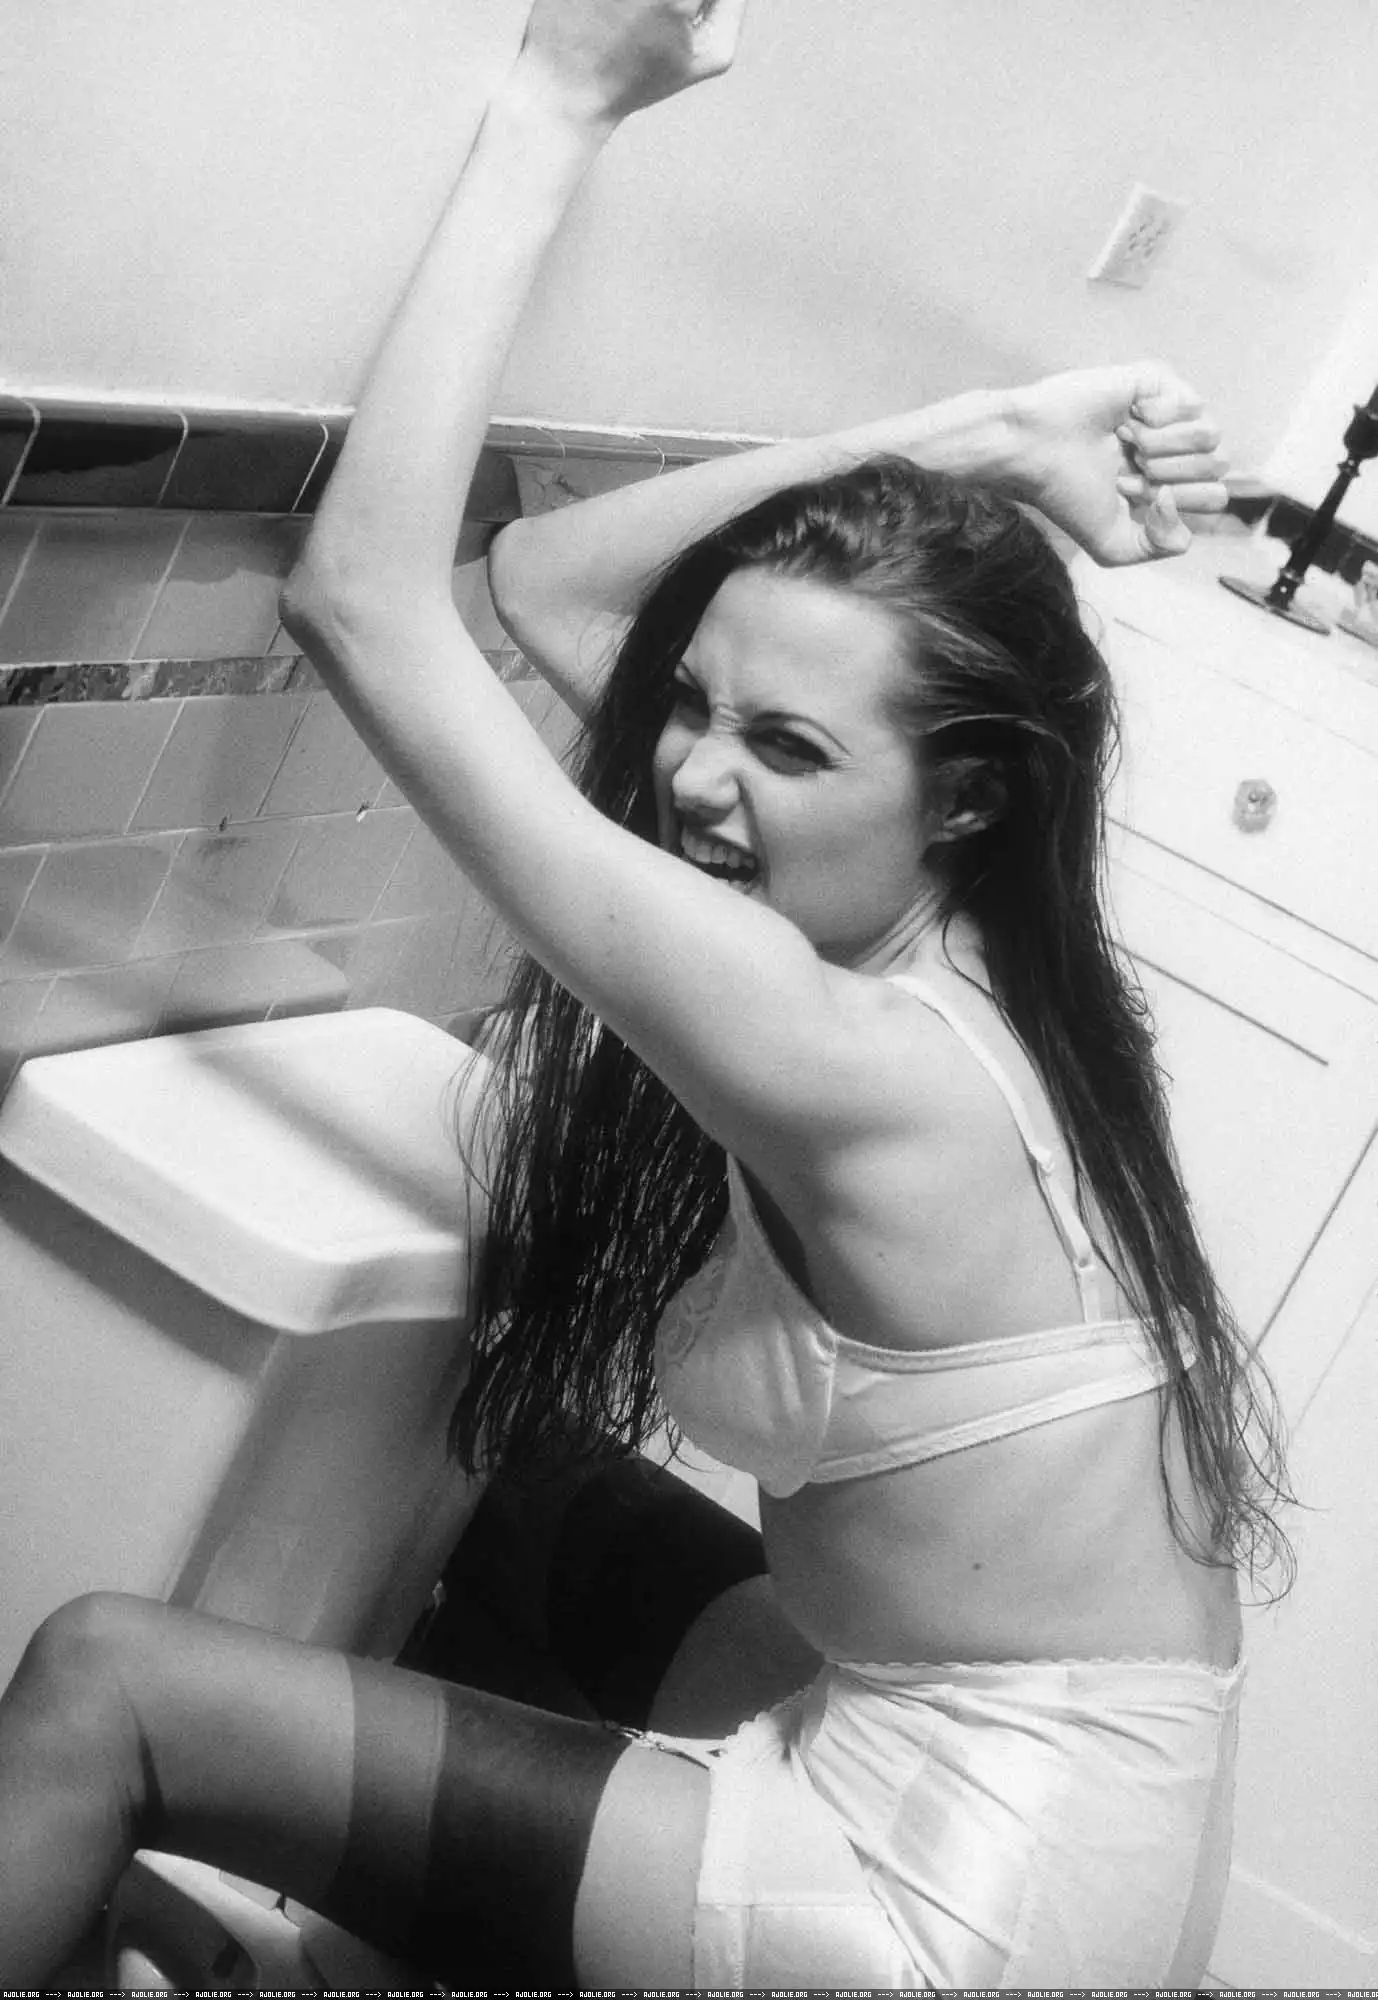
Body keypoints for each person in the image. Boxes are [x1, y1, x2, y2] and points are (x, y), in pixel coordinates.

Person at [0, 1, 1293, 1988]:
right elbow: (547, 586)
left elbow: (367, 602)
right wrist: (982, 438)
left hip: (952, 1909)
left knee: (108, 1685)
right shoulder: (958, 960)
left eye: (788, 747)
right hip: (1051, 1822)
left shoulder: (845, 1051)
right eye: (697, 707)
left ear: (959, 794)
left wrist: (552, 109)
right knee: (544, 1523)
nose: (692, 776)